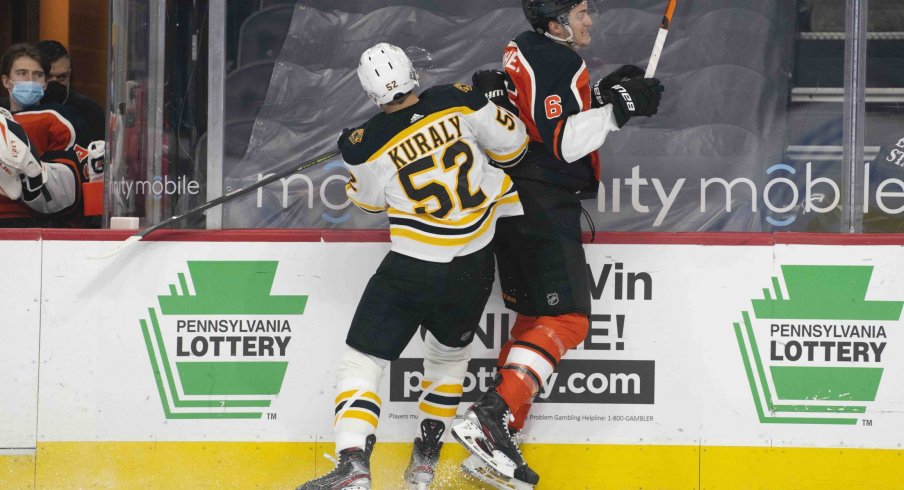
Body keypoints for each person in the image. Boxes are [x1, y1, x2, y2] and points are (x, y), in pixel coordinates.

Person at [296, 42, 529, 490]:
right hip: (475, 263)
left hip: (413, 266)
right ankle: (425, 462)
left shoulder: (361, 143)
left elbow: (368, 203)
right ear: (412, 75)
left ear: (370, 93)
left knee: (363, 359)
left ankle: (353, 462)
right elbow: (514, 146)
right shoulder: (459, 98)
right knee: (447, 359)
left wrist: (356, 159)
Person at [451, 1, 665, 488]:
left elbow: (540, 114)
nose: (590, 20)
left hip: (513, 199)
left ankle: (500, 439)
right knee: (566, 318)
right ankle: (493, 416)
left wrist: (603, 95)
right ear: (556, 25)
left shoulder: (524, 48)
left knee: (534, 320)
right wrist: (617, 110)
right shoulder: (560, 59)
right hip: (541, 201)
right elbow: (563, 140)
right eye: (581, 12)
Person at [0, 43, 103, 226]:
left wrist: (33, 174)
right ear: (6, 81)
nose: (30, 80)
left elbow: (74, 188)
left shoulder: (60, 118)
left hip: (35, 225)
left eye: (37, 75)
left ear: (45, 84)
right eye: (22, 73)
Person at [35, 40, 106, 142]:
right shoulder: (16, 106)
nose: (53, 83)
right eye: (47, 77)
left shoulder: (89, 111)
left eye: (62, 77)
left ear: (69, 74)